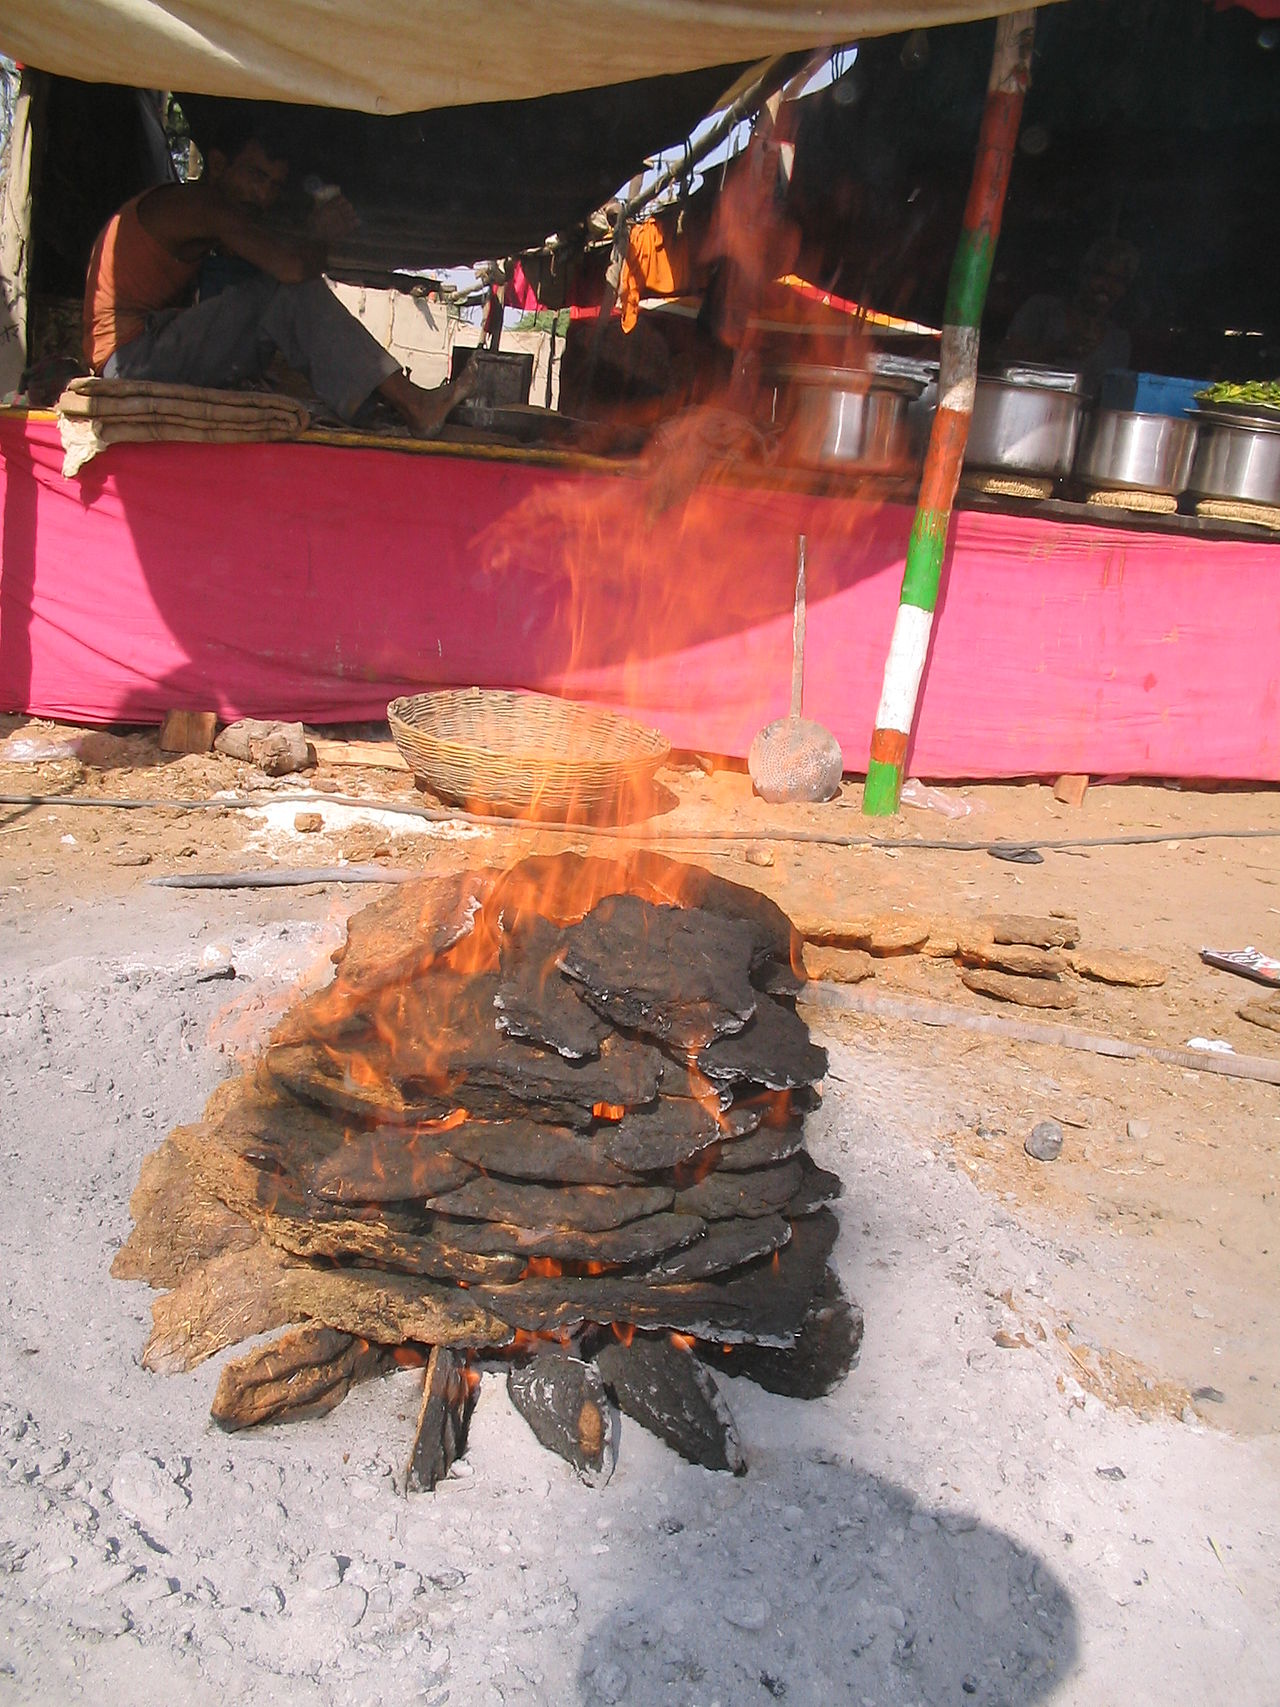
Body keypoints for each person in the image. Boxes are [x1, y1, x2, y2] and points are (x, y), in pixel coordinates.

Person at [82, 124, 473, 434]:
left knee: (267, 295)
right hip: (130, 362)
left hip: (138, 349)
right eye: (256, 175)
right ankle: (412, 404)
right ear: (218, 166)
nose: (263, 193)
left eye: (272, 184)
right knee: (279, 294)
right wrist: (319, 235)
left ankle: (385, 400)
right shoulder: (204, 205)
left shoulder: (201, 212)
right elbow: (291, 271)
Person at [1001, 237, 1140, 391]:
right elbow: (1006, 361)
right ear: (1085, 274)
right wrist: (1058, 349)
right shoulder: (1041, 309)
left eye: (1118, 281)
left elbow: (1110, 396)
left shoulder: (1118, 341)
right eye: (1101, 275)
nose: (1107, 286)